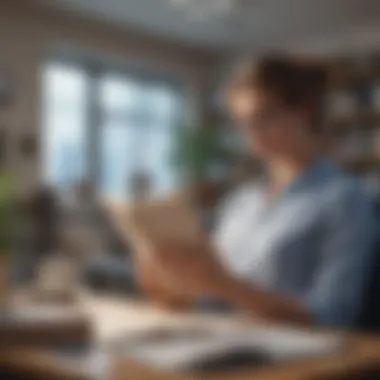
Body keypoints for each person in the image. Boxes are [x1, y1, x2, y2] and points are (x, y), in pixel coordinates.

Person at [136, 56, 377, 327]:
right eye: (242, 123)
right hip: (224, 341)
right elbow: (212, 301)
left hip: (294, 356)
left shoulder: (345, 199)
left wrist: (224, 285)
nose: (251, 133)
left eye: (263, 117)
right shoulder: (240, 202)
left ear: (304, 111)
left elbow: (332, 316)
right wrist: (170, 287)